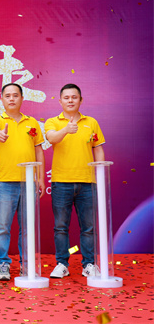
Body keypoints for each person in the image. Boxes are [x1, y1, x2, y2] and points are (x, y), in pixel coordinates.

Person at [45, 84, 104, 278]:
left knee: (88, 227)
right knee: (61, 227)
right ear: (60, 101)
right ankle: (62, 264)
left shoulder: (91, 122)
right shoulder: (53, 122)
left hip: (87, 182)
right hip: (61, 182)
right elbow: (51, 138)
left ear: (80, 100)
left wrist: (100, 175)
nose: (70, 100)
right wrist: (66, 130)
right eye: (66, 97)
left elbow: (98, 148)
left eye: (74, 97)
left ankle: (89, 264)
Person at [0, 83, 45, 281]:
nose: (11, 99)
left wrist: (40, 177)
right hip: (6, 181)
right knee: (3, 226)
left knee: (27, 227)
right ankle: (3, 264)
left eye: (15, 95)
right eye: (7, 96)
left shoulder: (32, 122)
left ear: (22, 98)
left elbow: (39, 150)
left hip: (29, 182)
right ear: (2, 99)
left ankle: (26, 264)